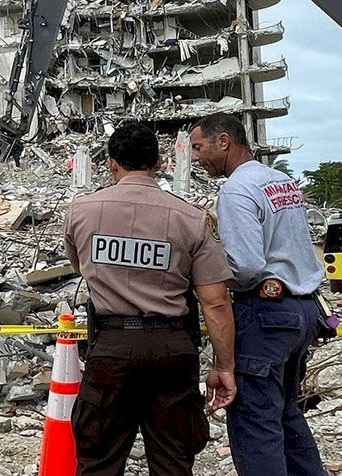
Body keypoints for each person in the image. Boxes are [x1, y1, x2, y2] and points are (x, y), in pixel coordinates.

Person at [64, 121, 236, 476]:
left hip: (111, 347)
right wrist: (224, 366)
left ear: (111, 163)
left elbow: (82, 267)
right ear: (159, 162)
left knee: (98, 458)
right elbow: (215, 301)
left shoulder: (80, 211)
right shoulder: (191, 218)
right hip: (171, 349)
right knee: (173, 459)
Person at [189, 114, 326, 476]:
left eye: (198, 147)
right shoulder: (281, 181)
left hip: (265, 316)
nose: (196, 157)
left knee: (254, 422)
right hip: (303, 309)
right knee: (285, 413)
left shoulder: (236, 189)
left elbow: (247, 266)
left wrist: (208, 278)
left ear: (224, 141)